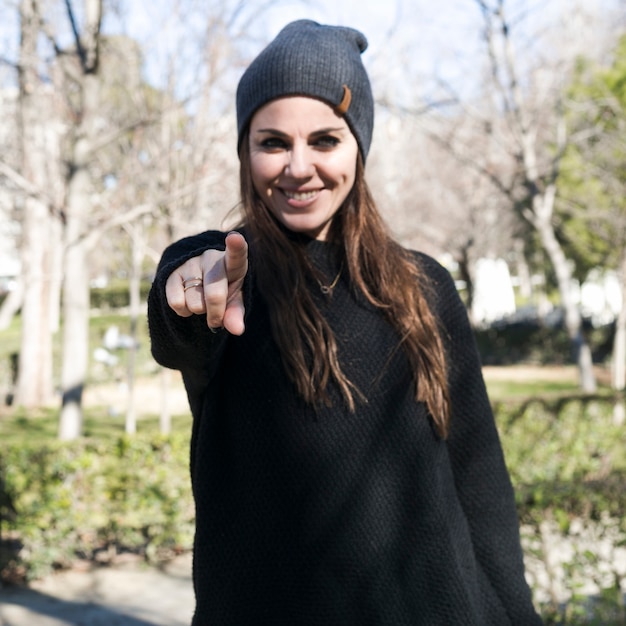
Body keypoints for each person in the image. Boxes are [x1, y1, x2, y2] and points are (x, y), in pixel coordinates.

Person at [148, 19, 543, 626]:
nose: (298, 167)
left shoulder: (424, 287)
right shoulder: (230, 280)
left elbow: (480, 481)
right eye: (272, 142)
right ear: (245, 150)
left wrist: (514, 614)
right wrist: (184, 281)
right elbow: (178, 318)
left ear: (359, 145)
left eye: (325, 140)